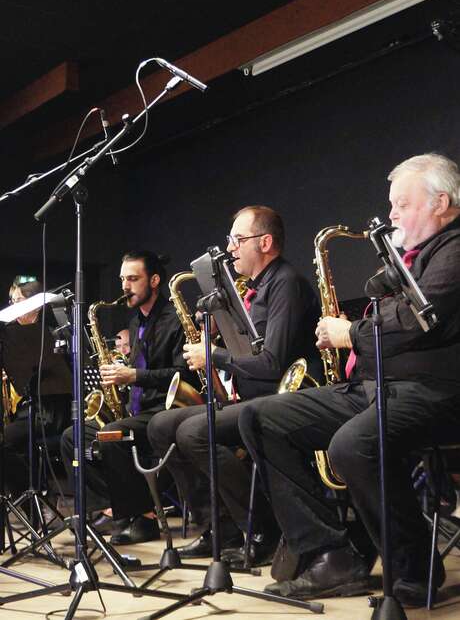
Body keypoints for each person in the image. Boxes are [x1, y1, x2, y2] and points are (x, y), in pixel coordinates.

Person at [238, 153, 460, 606]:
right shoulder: (410, 257)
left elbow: (423, 319)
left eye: (402, 203)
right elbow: (394, 322)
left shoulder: (456, 248)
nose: (392, 213)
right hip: (376, 387)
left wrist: (351, 332)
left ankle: (415, 568)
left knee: (352, 444)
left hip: (436, 390)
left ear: (442, 202)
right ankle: (330, 555)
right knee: (260, 418)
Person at [148, 205, 322, 565]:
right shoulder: (253, 289)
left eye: (238, 240)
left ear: (266, 242)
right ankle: (219, 525)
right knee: (161, 425)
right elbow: (246, 350)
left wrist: (215, 355)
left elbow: (273, 363)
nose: (230, 248)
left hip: (279, 400)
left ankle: (260, 528)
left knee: (195, 432)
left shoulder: (285, 283)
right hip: (249, 396)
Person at [60, 250, 196, 544]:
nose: (125, 286)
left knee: (112, 434)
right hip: (138, 412)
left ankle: (145, 517)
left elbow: (182, 375)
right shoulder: (136, 323)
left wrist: (133, 376)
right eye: (123, 279)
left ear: (155, 280)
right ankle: (112, 507)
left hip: (166, 411)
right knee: (74, 436)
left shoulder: (174, 320)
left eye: (133, 279)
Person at [2, 277, 72, 502]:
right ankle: (26, 497)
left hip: (51, 414)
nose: (14, 307)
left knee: (5, 441)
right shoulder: (10, 338)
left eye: (20, 300)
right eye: (12, 301)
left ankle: (29, 499)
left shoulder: (53, 333)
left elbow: (62, 378)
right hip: (26, 412)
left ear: (37, 304)